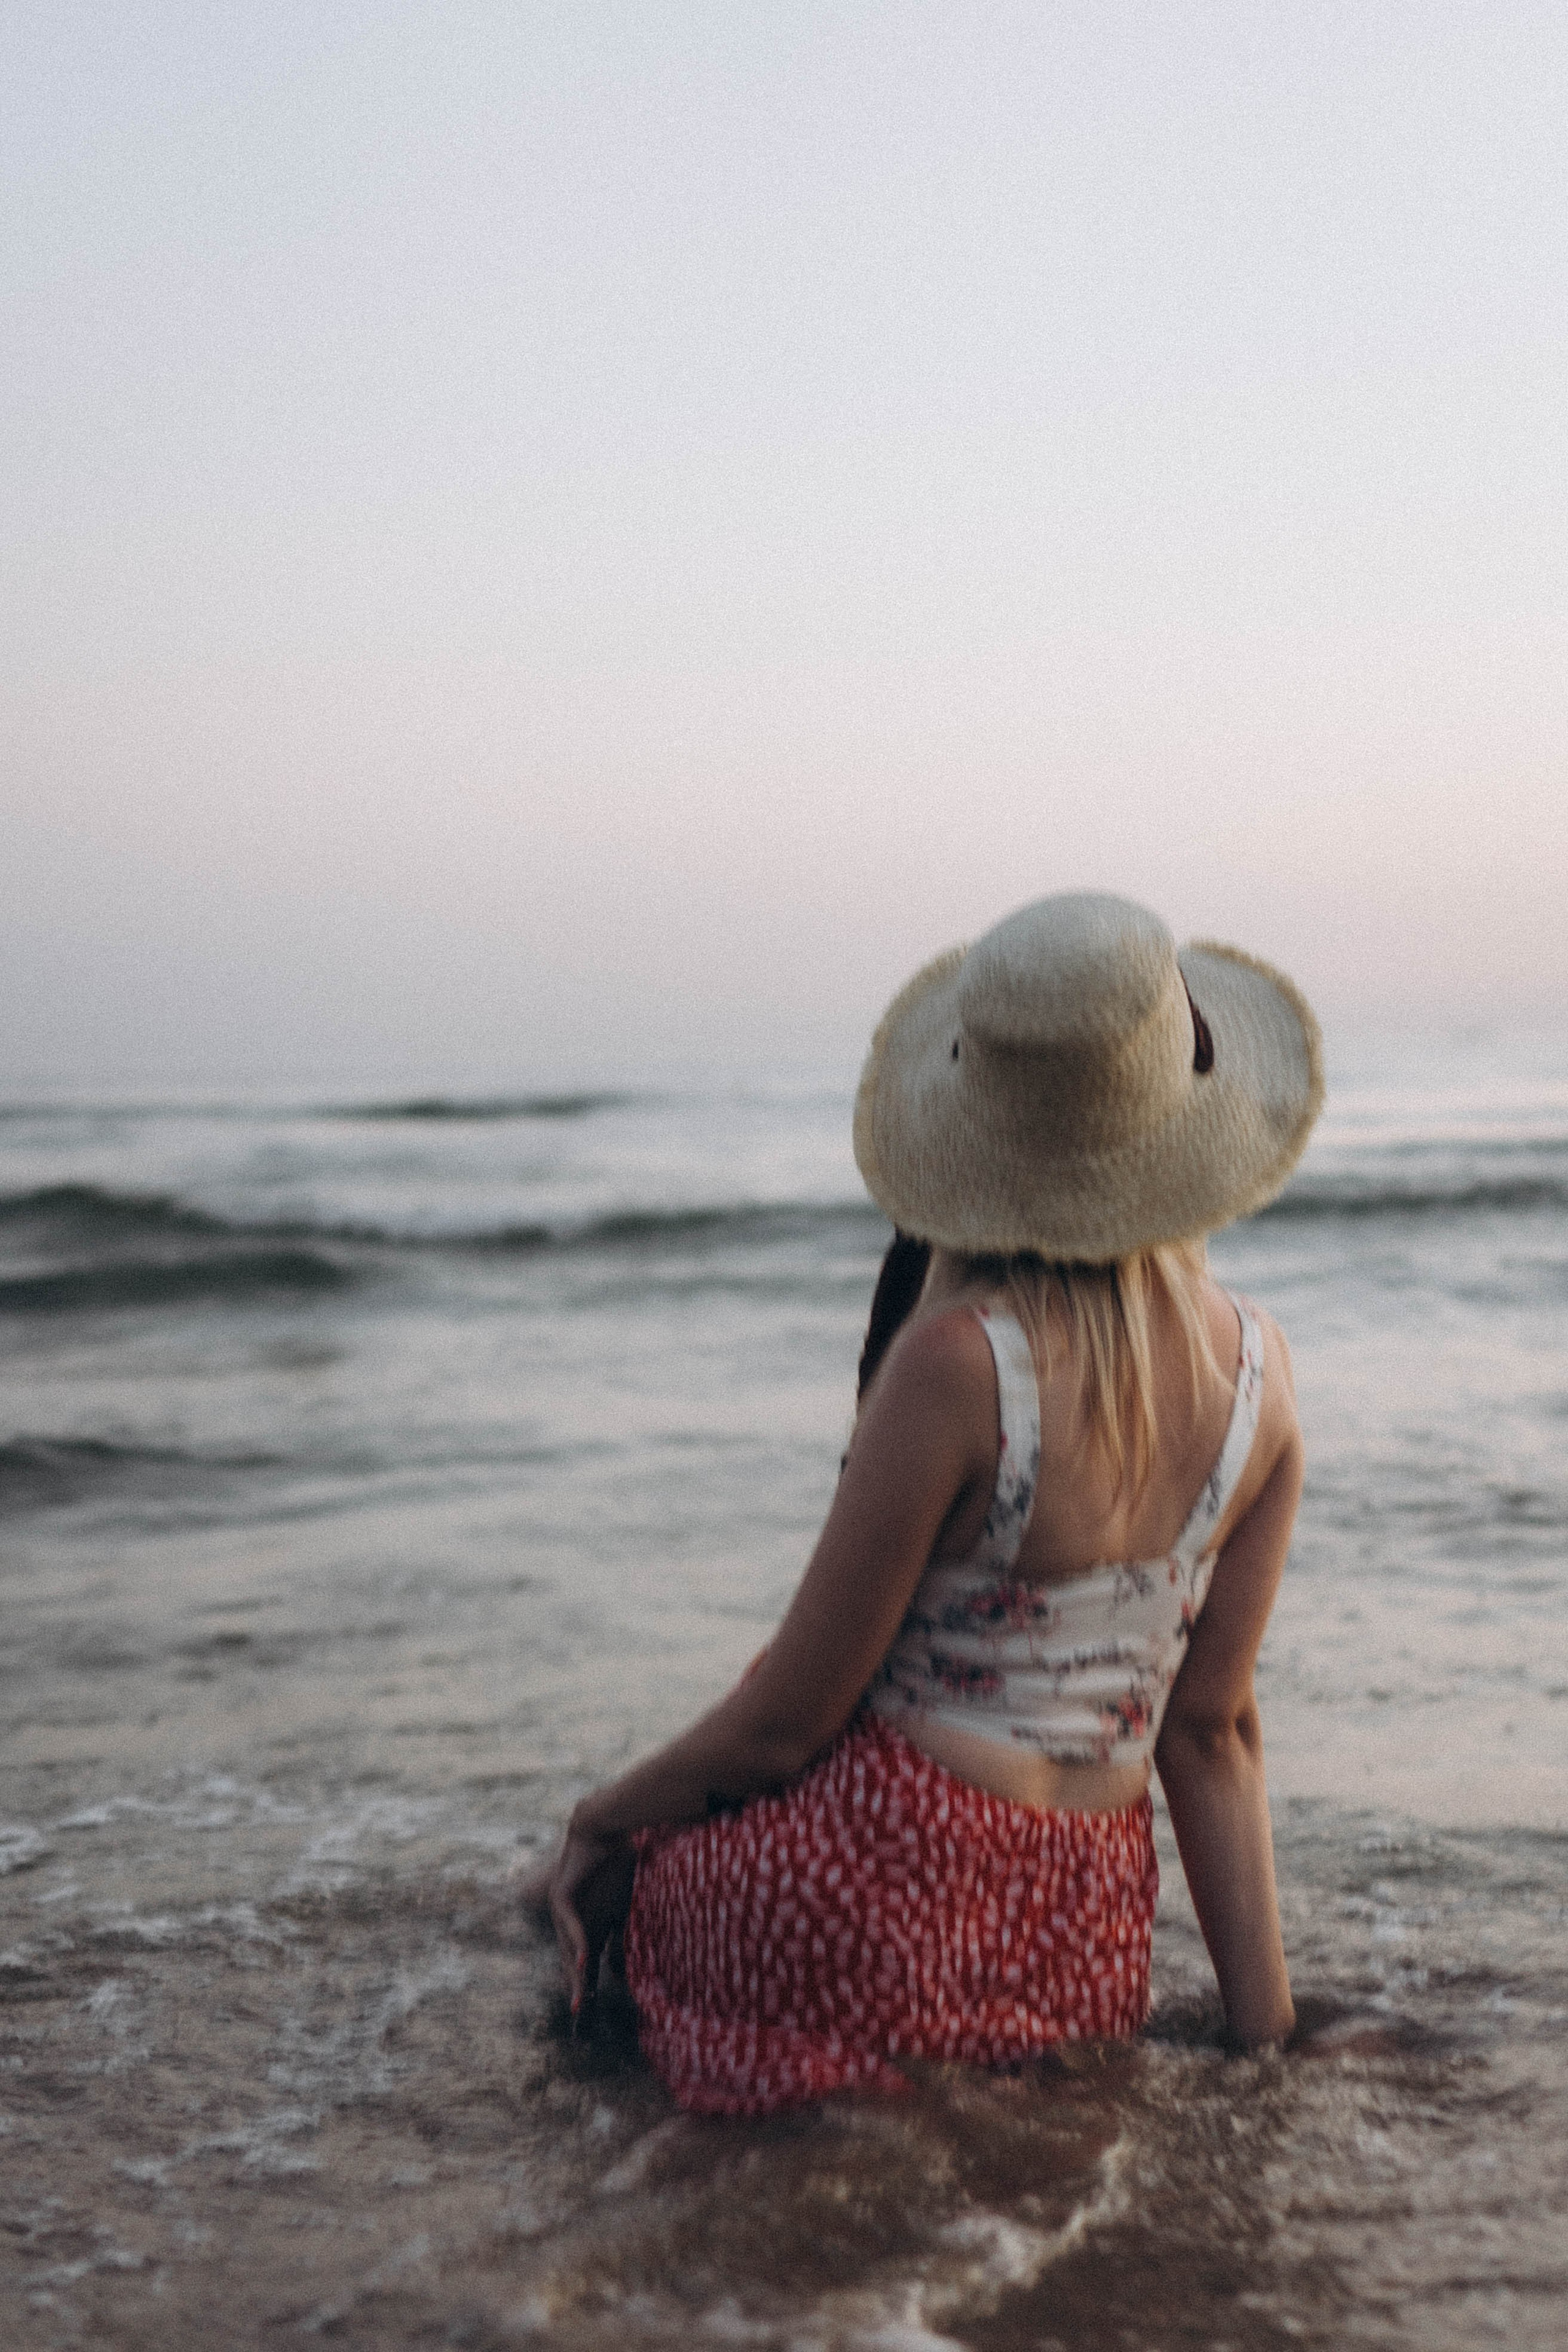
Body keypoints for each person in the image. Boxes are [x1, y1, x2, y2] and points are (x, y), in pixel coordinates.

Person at [537, 891, 1324, 2113]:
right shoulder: (1260, 1377)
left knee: (584, 1899)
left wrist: (599, 1820)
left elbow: (780, 1732)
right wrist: (1261, 2042)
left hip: (872, 1910)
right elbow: (1209, 1738)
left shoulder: (958, 1362)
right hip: (1076, 1949)